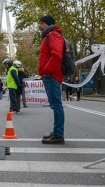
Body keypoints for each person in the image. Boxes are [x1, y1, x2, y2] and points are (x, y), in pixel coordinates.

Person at [38, 15, 65, 144]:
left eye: (41, 23)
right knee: (55, 105)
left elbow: (56, 55)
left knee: (57, 106)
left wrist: (47, 71)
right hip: (50, 75)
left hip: (52, 75)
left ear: (48, 24)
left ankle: (59, 134)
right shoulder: (49, 36)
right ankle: (56, 132)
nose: (39, 26)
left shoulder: (53, 35)